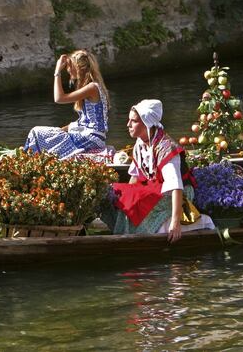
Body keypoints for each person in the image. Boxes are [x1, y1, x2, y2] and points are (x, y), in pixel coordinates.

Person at [101, 99, 214, 243]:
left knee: (138, 200)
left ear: (147, 123)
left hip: (180, 193)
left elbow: (176, 186)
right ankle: (123, 231)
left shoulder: (167, 147)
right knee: (118, 192)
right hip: (155, 187)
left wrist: (175, 222)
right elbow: (135, 176)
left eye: (133, 121)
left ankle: (141, 234)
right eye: (129, 120)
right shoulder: (140, 143)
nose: (128, 125)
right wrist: (125, 196)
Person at [24, 49, 110, 159]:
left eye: (70, 66)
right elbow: (84, 122)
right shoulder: (92, 86)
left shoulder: (92, 87)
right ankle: (31, 158)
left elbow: (59, 98)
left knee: (36, 132)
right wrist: (60, 130)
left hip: (90, 138)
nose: (68, 70)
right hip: (91, 137)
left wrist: (57, 72)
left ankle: (28, 160)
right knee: (49, 134)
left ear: (79, 68)